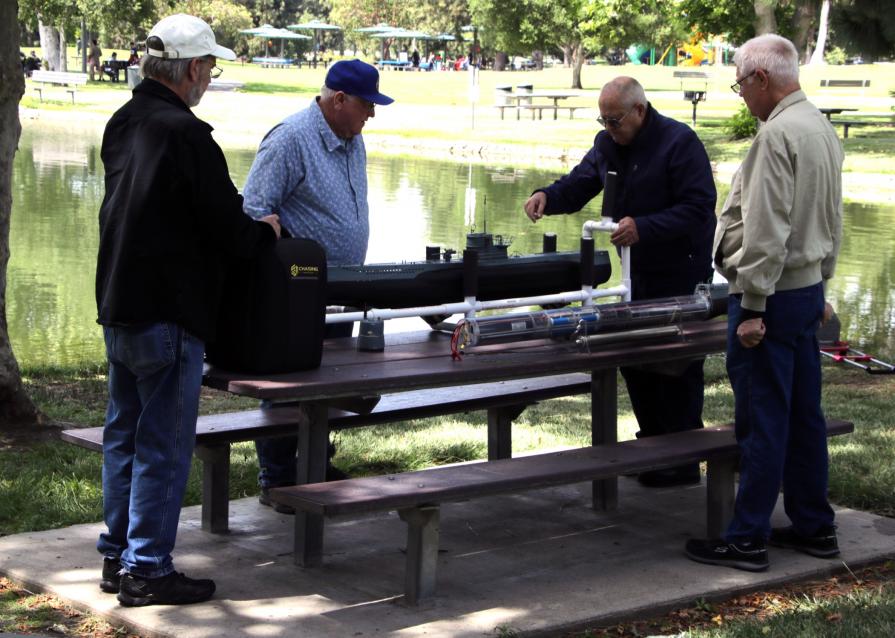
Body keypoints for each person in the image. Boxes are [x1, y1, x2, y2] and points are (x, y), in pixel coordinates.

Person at [95, 13, 281, 606]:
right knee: (163, 445)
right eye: (210, 68)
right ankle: (147, 570)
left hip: (119, 302)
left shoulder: (124, 121)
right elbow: (229, 229)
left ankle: (117, 557)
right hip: (169, 311)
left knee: (124, 436)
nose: (209, 79)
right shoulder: (188, 135)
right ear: (193, 68)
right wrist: (266, 231)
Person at [684, 34, 843, 572]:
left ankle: (747, 538)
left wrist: (752, 307)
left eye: (740, 85)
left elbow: (767, 226)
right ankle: (815, 526)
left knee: (762, 419)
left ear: (760, 78)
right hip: (805, 292)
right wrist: (823, 283)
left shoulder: (777, 134)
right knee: (804, 416)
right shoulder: (819, 126)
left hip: (770, 298)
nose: (742, 95)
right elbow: (833, 218)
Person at [523, 76, 716, 487]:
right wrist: (547, 196)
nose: (609, 128)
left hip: (680, 272)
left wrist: (644, 227)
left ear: (639, 111)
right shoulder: (607, 144)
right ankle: (653, 449)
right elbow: (579, 183)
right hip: (636, 273)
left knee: (675, 364)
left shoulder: (680, 143)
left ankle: (682, 460)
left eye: (615, 121)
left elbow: (699, 208)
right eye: (604, 120)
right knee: (634, 357)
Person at [241, 59, 393, 513]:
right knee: (288, 386)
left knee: (330, 382)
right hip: (294, 294)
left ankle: (316, 467)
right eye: (367, 104)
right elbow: (254, 212)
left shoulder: (353, 138)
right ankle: (278, 479)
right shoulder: (289, 139)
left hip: (342, 290)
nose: (372, 114)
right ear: (339, 99)